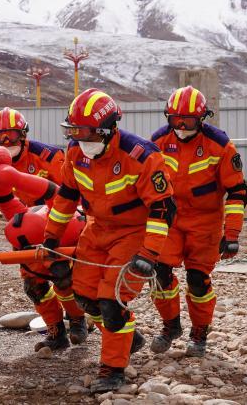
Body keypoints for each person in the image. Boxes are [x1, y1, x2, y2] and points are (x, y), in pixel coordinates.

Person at [43, 88, 176, 393]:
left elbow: (162, 208)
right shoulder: (76, 153)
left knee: (112, 302)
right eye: (74, 131)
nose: (80, 139)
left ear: (107, 129)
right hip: (97, 230)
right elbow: (66, 196)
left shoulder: (141, 157)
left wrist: (149, 254)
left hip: (133, 233)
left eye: (86, 132)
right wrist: (51, 237)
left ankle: (112, 370)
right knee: (86, 297)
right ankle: (129, 338)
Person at [149, 86, 247, 357]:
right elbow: (145, 184)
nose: (181, 126)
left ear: (202, 118)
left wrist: (232, 235)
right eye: (175, 120)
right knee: (159, 273)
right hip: (168, 220)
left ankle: (199, 333)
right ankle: (170, 326)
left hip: (205, 223)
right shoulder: (157, 141)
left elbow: (238, 191)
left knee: (197, 279)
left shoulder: (221, 146)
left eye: (188, 121)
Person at [0, 108, 87, 350]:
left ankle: (78, 319)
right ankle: (55, 331)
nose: (7, 142)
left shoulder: (48, 156)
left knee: (62, 277)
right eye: (0, 137)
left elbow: (69, 194)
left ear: (24, 134)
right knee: (34, 285)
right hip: (25, 229)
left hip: (58, 225)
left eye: (12, 135)